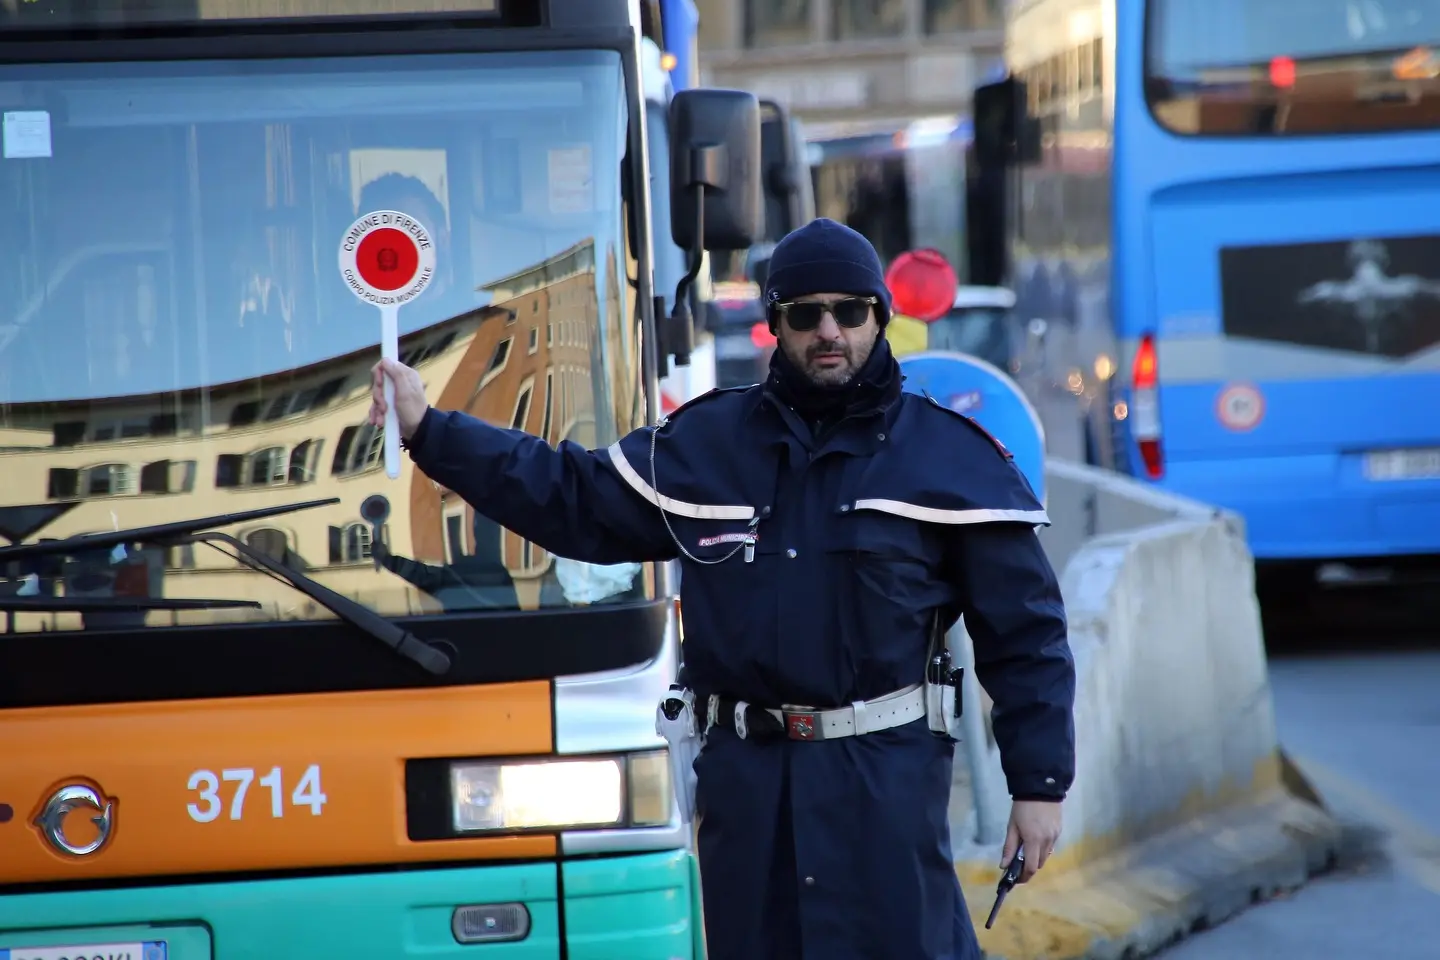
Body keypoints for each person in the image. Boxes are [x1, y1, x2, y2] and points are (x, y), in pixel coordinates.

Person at [369, 218, 1076, 960]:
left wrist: (1040, 783)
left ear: (881, 317)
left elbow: (1025, 633)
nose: (828, 330)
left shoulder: (949, 458)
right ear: (775, 324)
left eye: (849, 311)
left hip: (885, 789)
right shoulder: (706, 446)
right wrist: (429, 429)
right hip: (748, 792)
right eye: (805, 314)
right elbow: (566, 494)